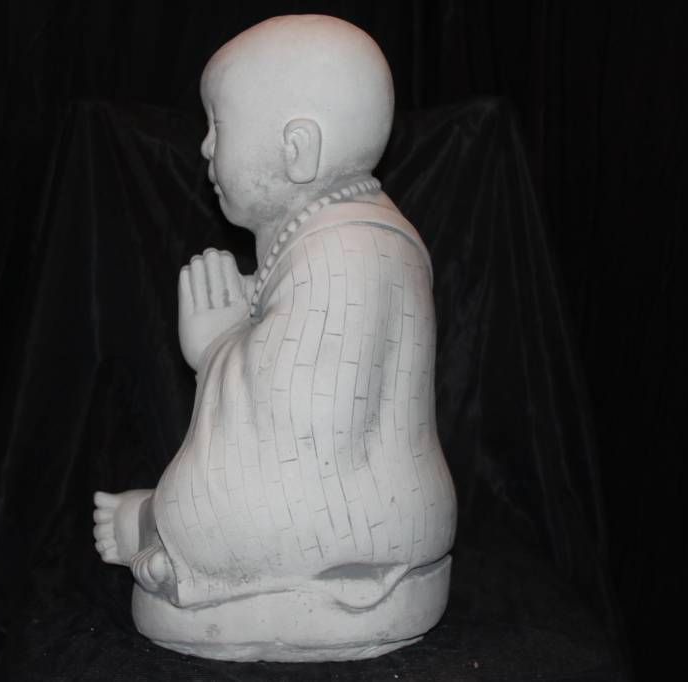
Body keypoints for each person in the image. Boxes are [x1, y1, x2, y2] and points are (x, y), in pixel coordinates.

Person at [94, 15, 456, 660]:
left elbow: (297, 425)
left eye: (218, 126)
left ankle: (157, 534)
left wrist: (215, 348)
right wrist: (252, 316)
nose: (205, 147)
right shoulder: (371, 236)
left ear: (298, 149)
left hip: (335, 528)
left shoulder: (338, 254)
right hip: (400, 516)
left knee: (189, 515)